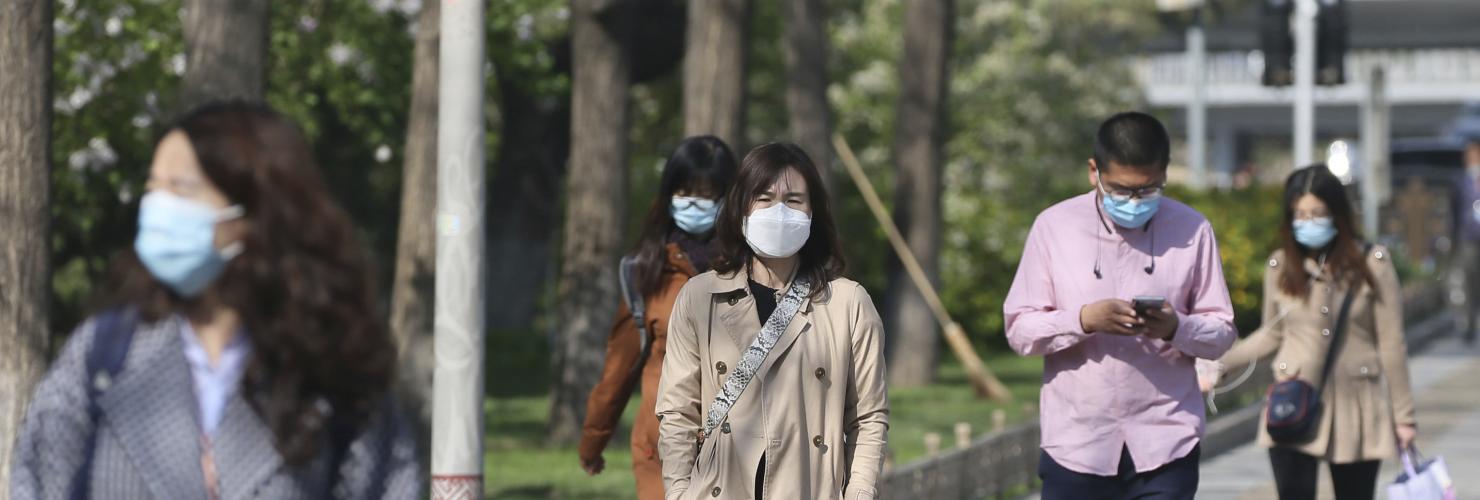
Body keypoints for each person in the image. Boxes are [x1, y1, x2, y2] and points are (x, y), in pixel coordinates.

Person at [10, 101, 420, 499]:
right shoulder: (105, 352)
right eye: (153, 186)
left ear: (255, 211)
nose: (159, 206)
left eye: (181, 188)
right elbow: (38, 478)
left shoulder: (330, 368)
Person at [1003, 111, 1236, 500]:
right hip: (1078, 443)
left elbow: (1222, 332)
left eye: (1148, 190)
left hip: (1166, 442)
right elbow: (1020, 331)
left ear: (1164, 174)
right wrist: (1083, 320)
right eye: (1121, 190)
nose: (1134, 201)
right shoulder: (1054, 227)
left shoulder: (1193, 229)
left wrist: (1176, 328)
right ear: (1094, 172)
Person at [655, 142, 888, 500]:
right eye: (764, 198)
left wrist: (859, 492)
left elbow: (868, 418)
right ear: (741, 208)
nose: (779, 211)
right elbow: (678, 412)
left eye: (794, 200)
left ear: (813, 212)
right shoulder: (700, 298)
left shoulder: (848, 302)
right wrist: (679, 491)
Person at [1213, 165, 1416, 500]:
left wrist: (1404, 418)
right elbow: (1271, 334)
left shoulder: (1374, 263)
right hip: (1293, 402)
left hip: (1357, 405)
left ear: (1337, 214)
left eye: (1318, 213)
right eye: (1300, 214)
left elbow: (1391, 343)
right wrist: (1221, 364)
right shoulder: (1280, 266)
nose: (1309, 222)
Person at [578, 136, 739, 500]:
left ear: (729, 198)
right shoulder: (644, 270)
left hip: (739, 443)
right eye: (684, 191)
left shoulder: (754, 267)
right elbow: (619, 367)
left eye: (706, 193)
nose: (694, 203)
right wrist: (593, 440)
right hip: (664, 446)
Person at [1452, 137, 1480, 344]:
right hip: (1469, 238)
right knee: (1469, 282)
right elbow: (1454, 213)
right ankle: (1469, 324)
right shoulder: (1461, 182)